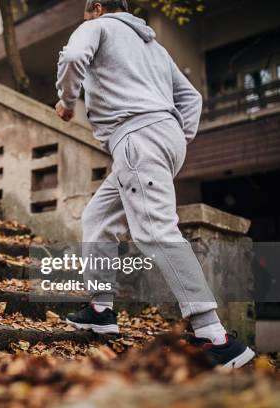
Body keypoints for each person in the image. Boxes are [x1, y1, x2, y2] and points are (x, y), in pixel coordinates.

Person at [54, 0, 254, 368]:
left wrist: (67, 101)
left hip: (137, 139)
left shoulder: (98, 26)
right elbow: (191, 99)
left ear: (97, 7)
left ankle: (215, 336)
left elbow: (72, 58)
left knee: (156, 231)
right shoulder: (154, 47)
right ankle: (101, 309)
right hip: (159, 138)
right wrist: (175, 135)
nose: (83, 19)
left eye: (85, 13)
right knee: (98, 217)